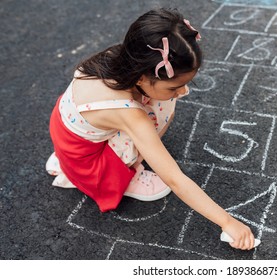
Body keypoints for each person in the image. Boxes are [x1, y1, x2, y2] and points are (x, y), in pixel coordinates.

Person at [46, 8, 256, 250]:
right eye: (174, 86)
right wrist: (227, 222)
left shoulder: (126, 58)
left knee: (158, 105)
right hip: (88, 160)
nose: (183, 92)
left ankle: (66, 162)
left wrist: (166, 92)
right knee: (157, 113)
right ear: (141, 77)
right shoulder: (128, 113)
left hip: (67, 132)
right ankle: (106, 176)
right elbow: (174, 179)